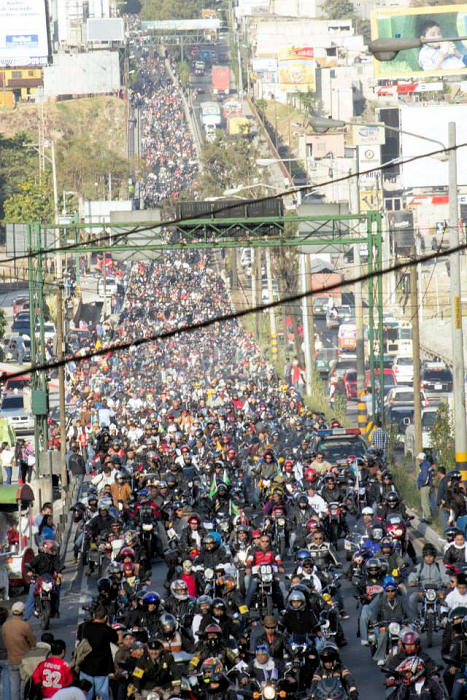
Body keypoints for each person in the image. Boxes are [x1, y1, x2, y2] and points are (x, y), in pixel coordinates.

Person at [77, 605, 119, 700]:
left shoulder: (83, 627)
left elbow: (80, 638)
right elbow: (115, 638)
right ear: (106, 617)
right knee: (102, 695)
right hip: (102, 668)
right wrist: (108, 625)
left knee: (84, 694)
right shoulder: (106, 630)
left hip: (85, 666)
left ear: (94, 615)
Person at [1, 602, 35, 700]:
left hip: (11, 659)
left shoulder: (5, 625)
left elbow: (5, 640)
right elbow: (32, 642)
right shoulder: (25, 625)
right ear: (23, 612)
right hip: (24, 660)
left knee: (14, 688)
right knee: (25, 686)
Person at [417, 453, 433, 524]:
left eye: (418, 459)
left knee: (424, 502)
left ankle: (428, 518)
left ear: (421, 459)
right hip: (426, 485)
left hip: (425, 486)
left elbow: (425, 477)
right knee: (426, 502)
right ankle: (426, 516)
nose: (418, 460)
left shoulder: (424, 465)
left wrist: (422, 484)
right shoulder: (426, 464)